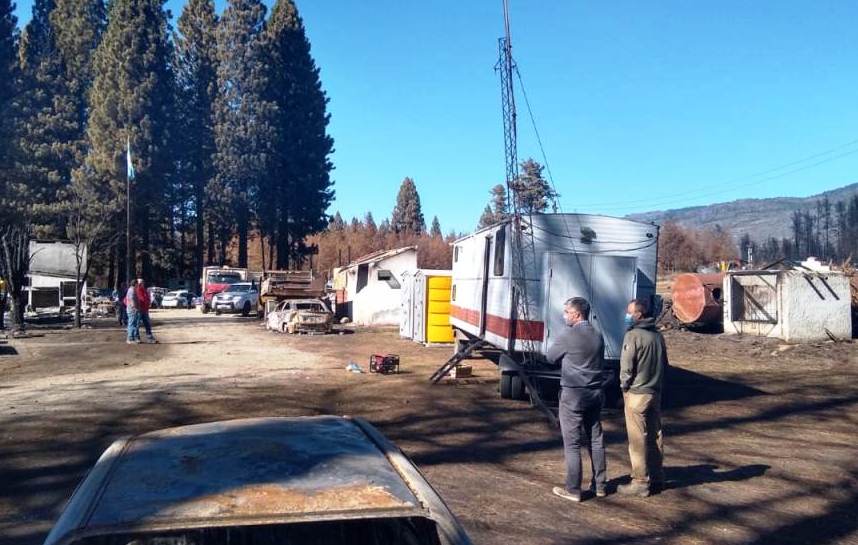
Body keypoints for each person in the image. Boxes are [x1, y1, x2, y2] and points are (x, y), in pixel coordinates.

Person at [547, 296, 607, 502]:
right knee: (595, 439)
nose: (564, 316)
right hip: (595, 392)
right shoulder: (598, 335)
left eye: (566, 312)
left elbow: (551, 357)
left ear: (577, 314)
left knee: (572, 443)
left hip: (573, 394)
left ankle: (573, 489)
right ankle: (600, 485)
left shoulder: (568, 335)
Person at [618, 298, 668, 497]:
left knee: (637, 438)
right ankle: (657, 476)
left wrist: (624, 386)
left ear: (638, 314)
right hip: (655, 391)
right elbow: (665, 364)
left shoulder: (633, 336)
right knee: (655, 435)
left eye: (629, 312)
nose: (627, 315)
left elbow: (627, 367)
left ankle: (639, 480)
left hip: (637, 394)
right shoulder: (657, 336)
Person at [135, 278, 157, 343]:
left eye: (143, 282)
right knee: (137, 324)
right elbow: (140, 299)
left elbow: (147, 298)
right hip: (139, 309)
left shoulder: (144, 290)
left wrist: (148, 303)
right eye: (141, 283)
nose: (142, 283)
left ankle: (150, 338)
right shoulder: (137, 290)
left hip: (145, 309)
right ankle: (137, 338)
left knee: (147, 324)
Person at [125, 280, 140, 344]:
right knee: (132, 324)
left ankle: (132, 338)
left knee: (132, 324)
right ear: (135, 284)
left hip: (131, 309)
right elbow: (131, 300)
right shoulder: (132, 290)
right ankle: (130, 339)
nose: (138, 285)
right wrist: (134, 307)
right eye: (137, 284)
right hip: (132, 310)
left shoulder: (131, 290)